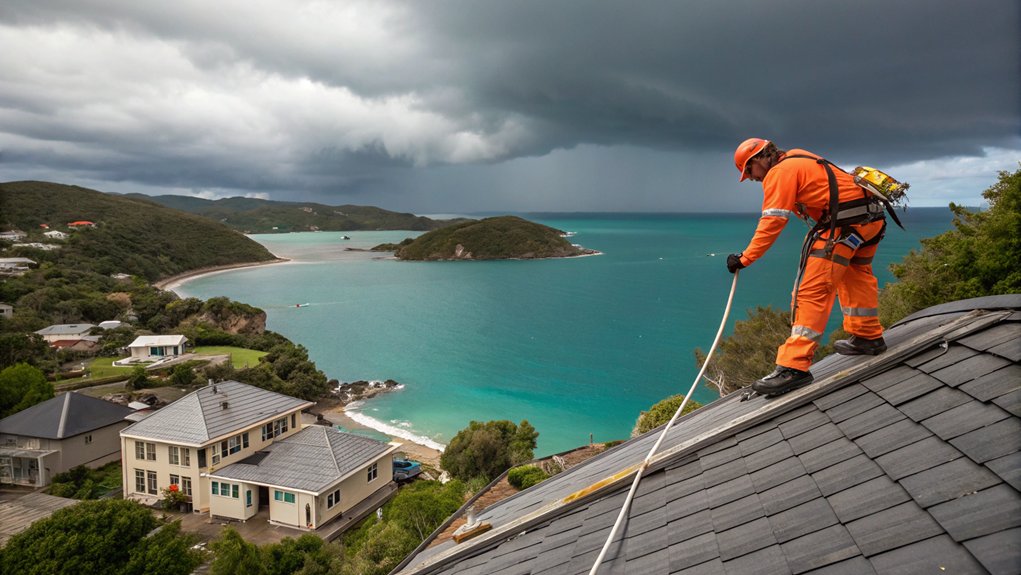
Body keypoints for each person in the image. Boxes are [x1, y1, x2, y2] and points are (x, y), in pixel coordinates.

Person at [728, 137, 888, 396]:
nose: (752, 178)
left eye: (749, 171)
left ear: (758, 160)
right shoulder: (798, 156)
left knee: (811, 292)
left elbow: (772, 222)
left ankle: (794, 367)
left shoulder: (780, 172)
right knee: (855, 275)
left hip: (844, 228)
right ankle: (868, 336)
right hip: (871, 221)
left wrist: (745, 258)